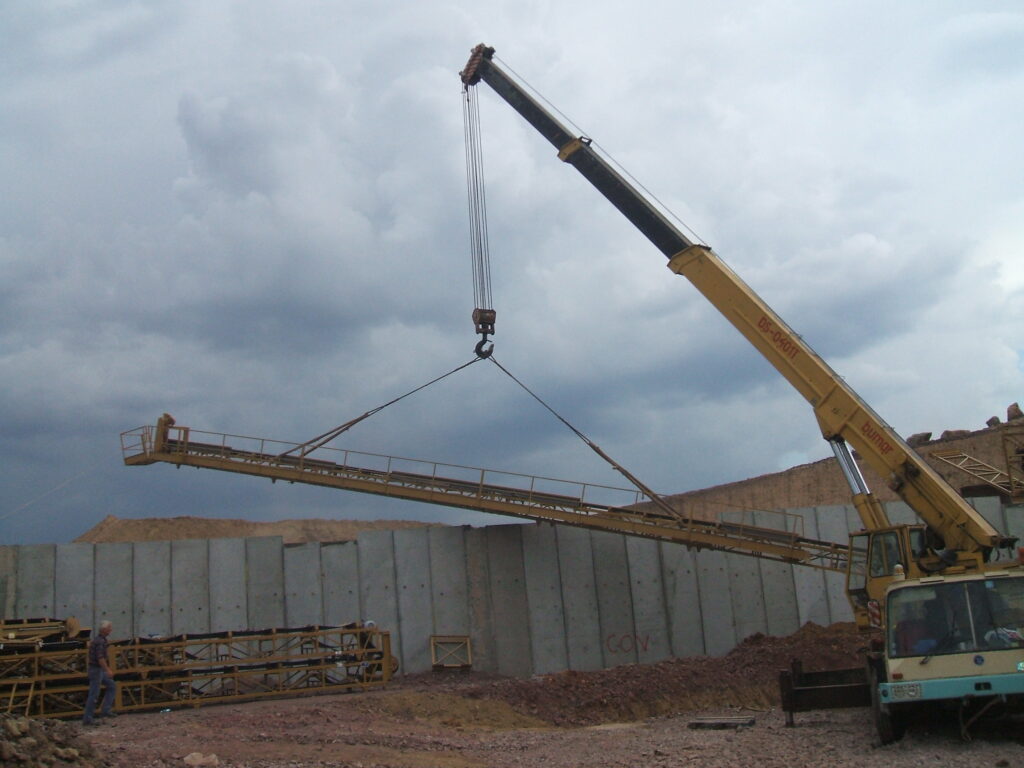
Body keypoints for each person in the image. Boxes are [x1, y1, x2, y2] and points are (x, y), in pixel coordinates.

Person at [82, 620, 117, 726]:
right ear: (104, 629)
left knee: (111, 686)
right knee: (94, 694)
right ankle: (88, 718)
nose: (111, 630)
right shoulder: (101, 642)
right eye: (109, 628)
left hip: (97, 670)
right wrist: (108, 670)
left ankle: (105, 710)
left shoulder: (99, 640)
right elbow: (100, 658)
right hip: (96, 670)